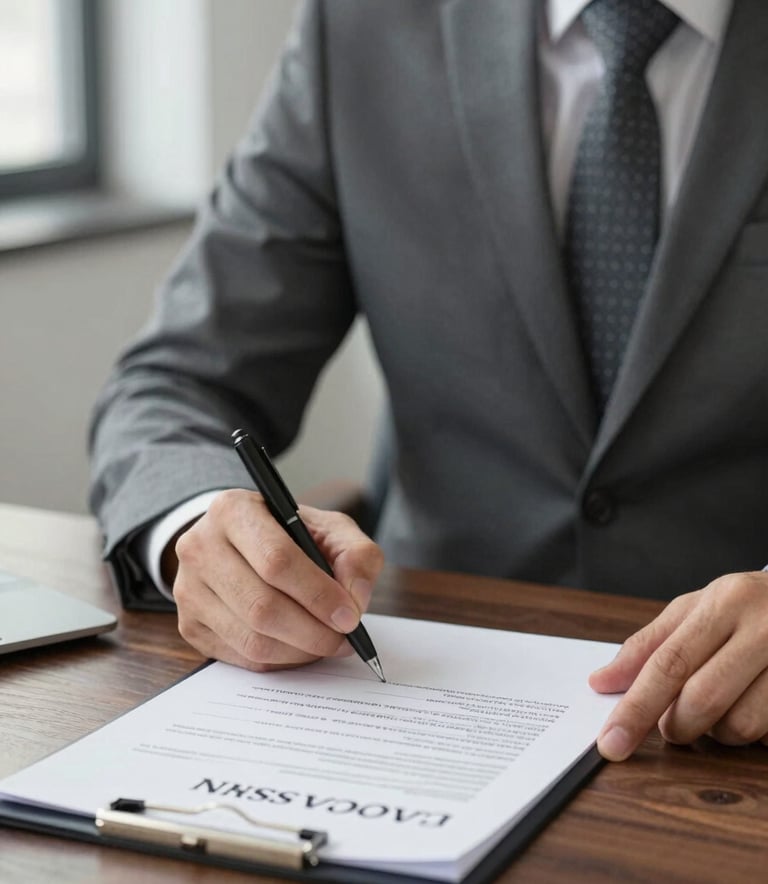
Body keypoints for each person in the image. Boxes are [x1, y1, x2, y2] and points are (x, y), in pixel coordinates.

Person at [89, 0, 768, 763]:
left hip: (733, 736)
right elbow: (173, 382)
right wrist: (199, 527)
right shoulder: (362, 29)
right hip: (420, 697)